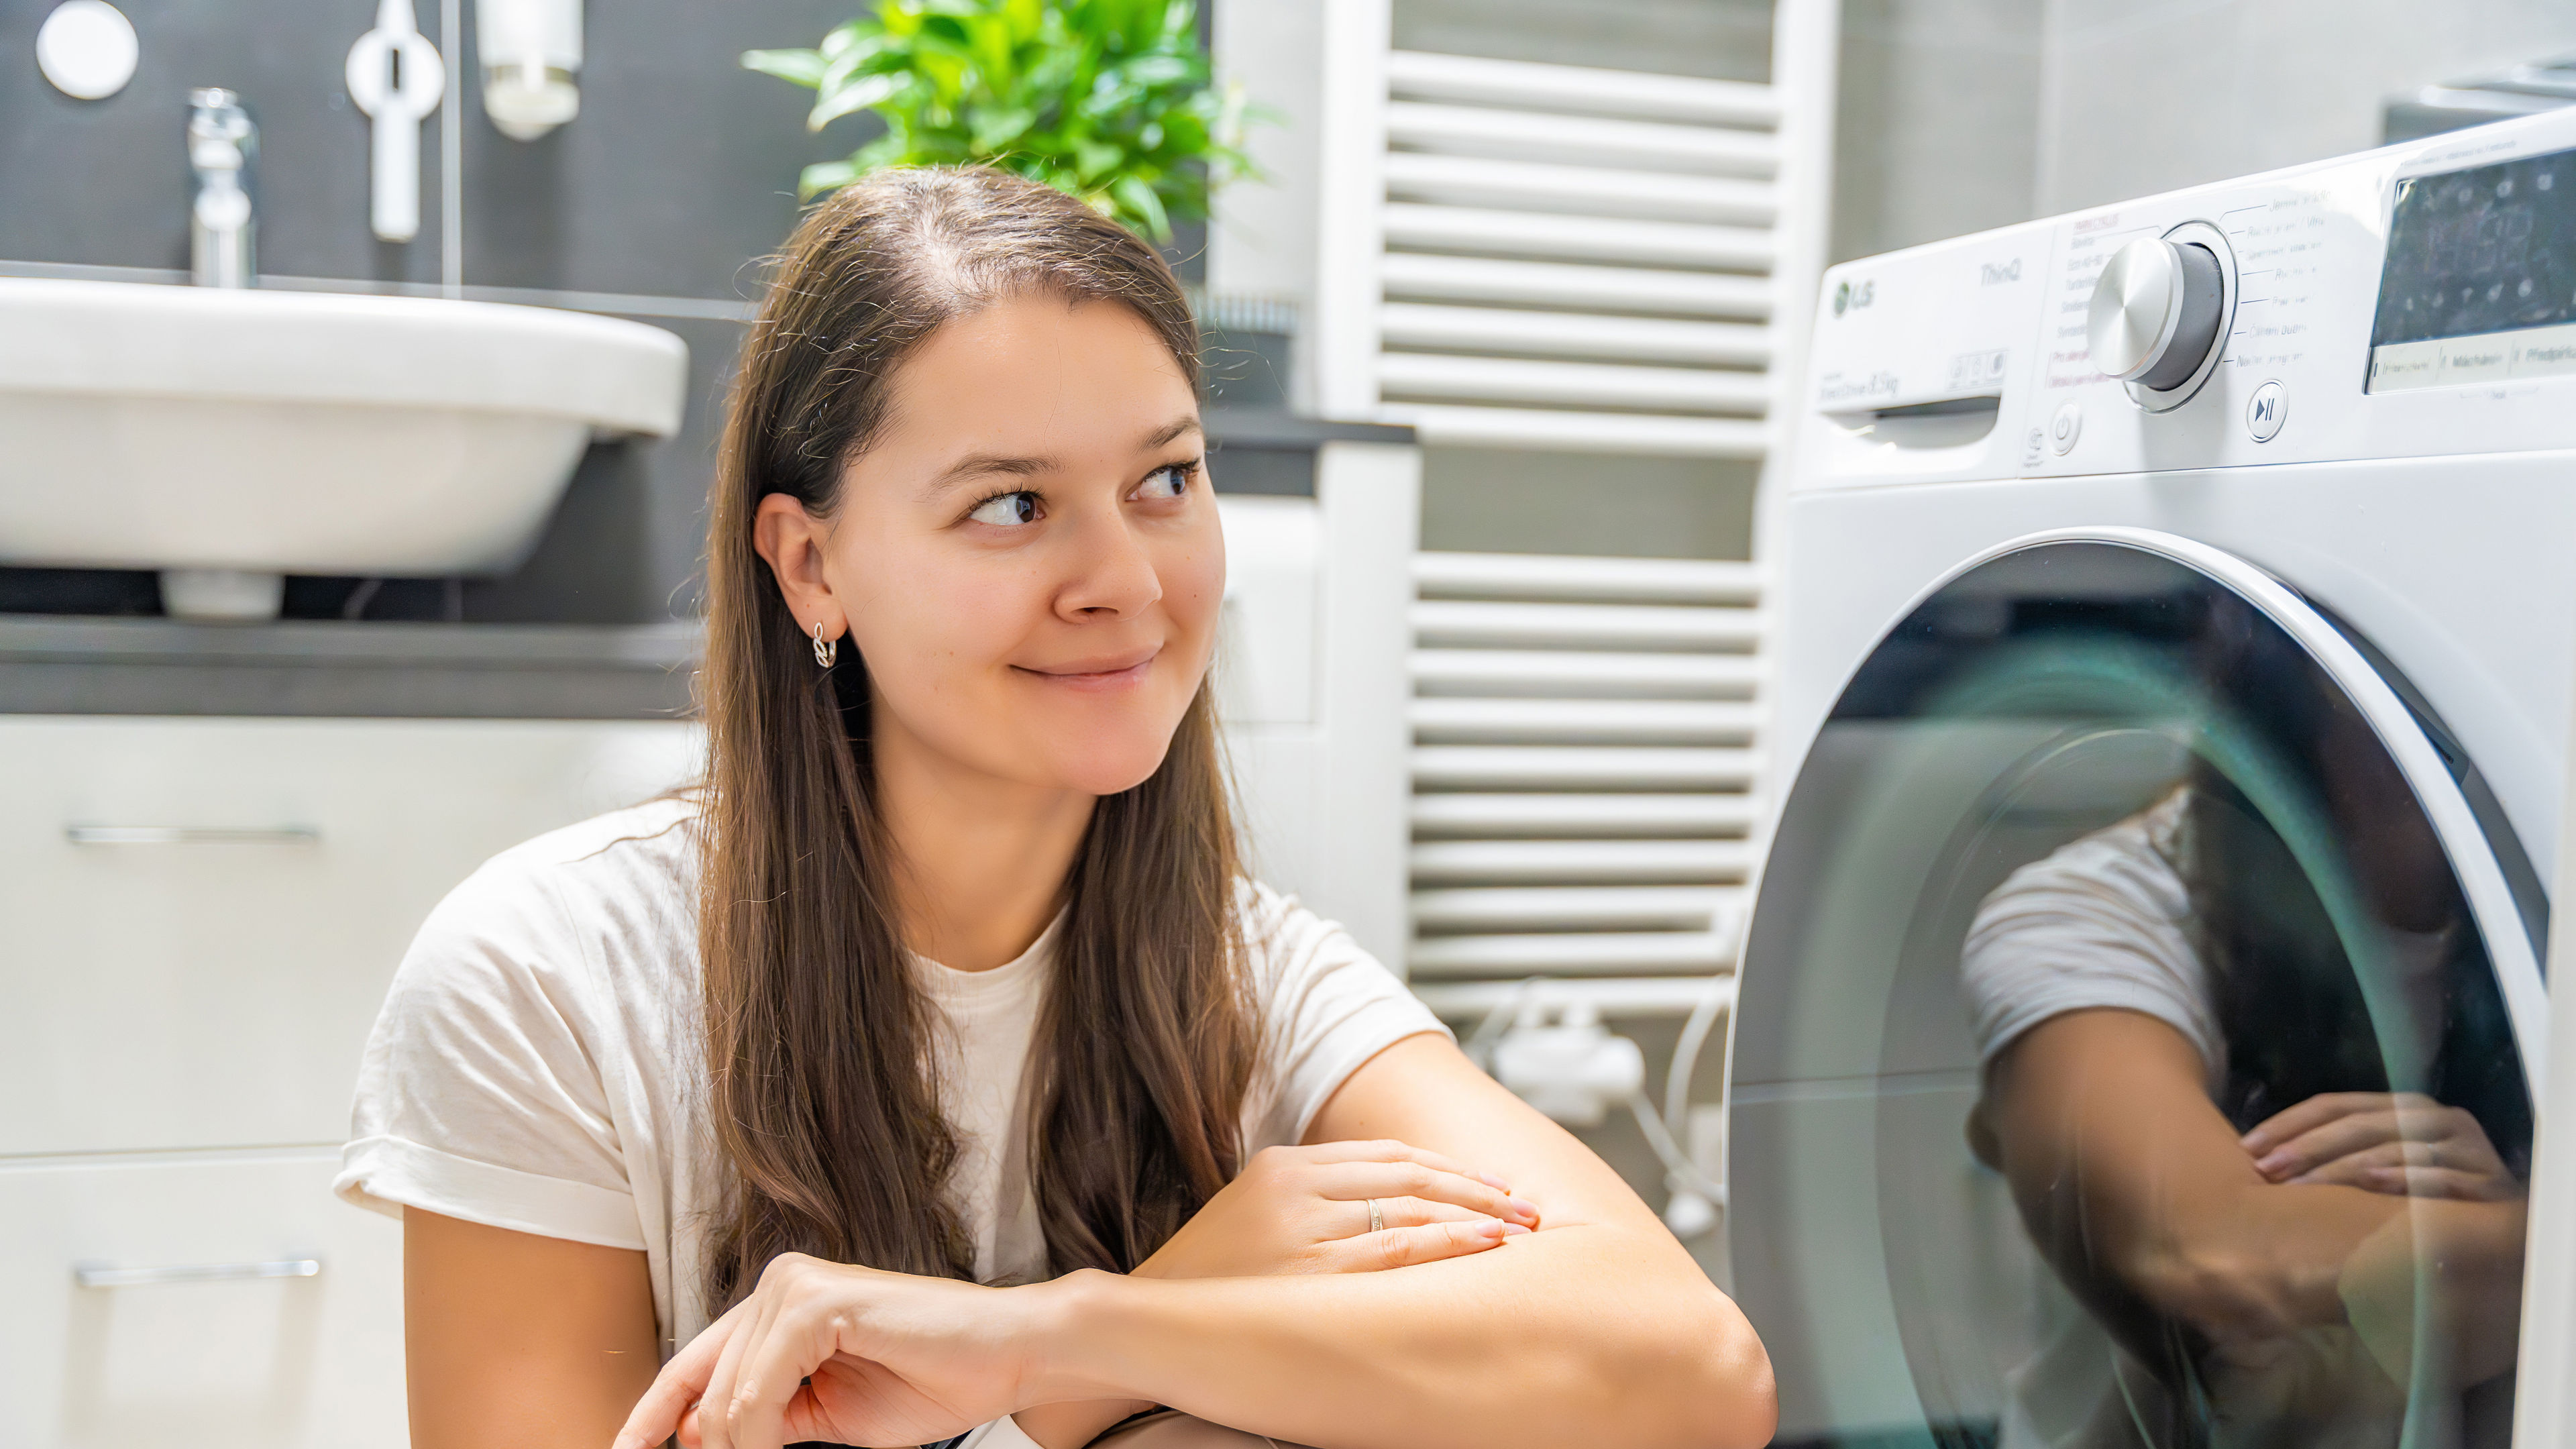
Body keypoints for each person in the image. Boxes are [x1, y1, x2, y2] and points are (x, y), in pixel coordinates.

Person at [334, 166, 1774, 1449]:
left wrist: (1062, 1337)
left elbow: (1696, 1370)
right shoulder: (550, 982)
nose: (1126, 583)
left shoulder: (1248, 977)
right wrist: (1126, 1368)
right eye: (1012, 505)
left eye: (1164, 480)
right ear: (809, 565)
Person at [1960, 673, 2530, 1449]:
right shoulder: (2088, 912)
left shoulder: (2533, 916)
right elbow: (2218, 1260)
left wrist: (2497, 1243)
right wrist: (2534, 1232)